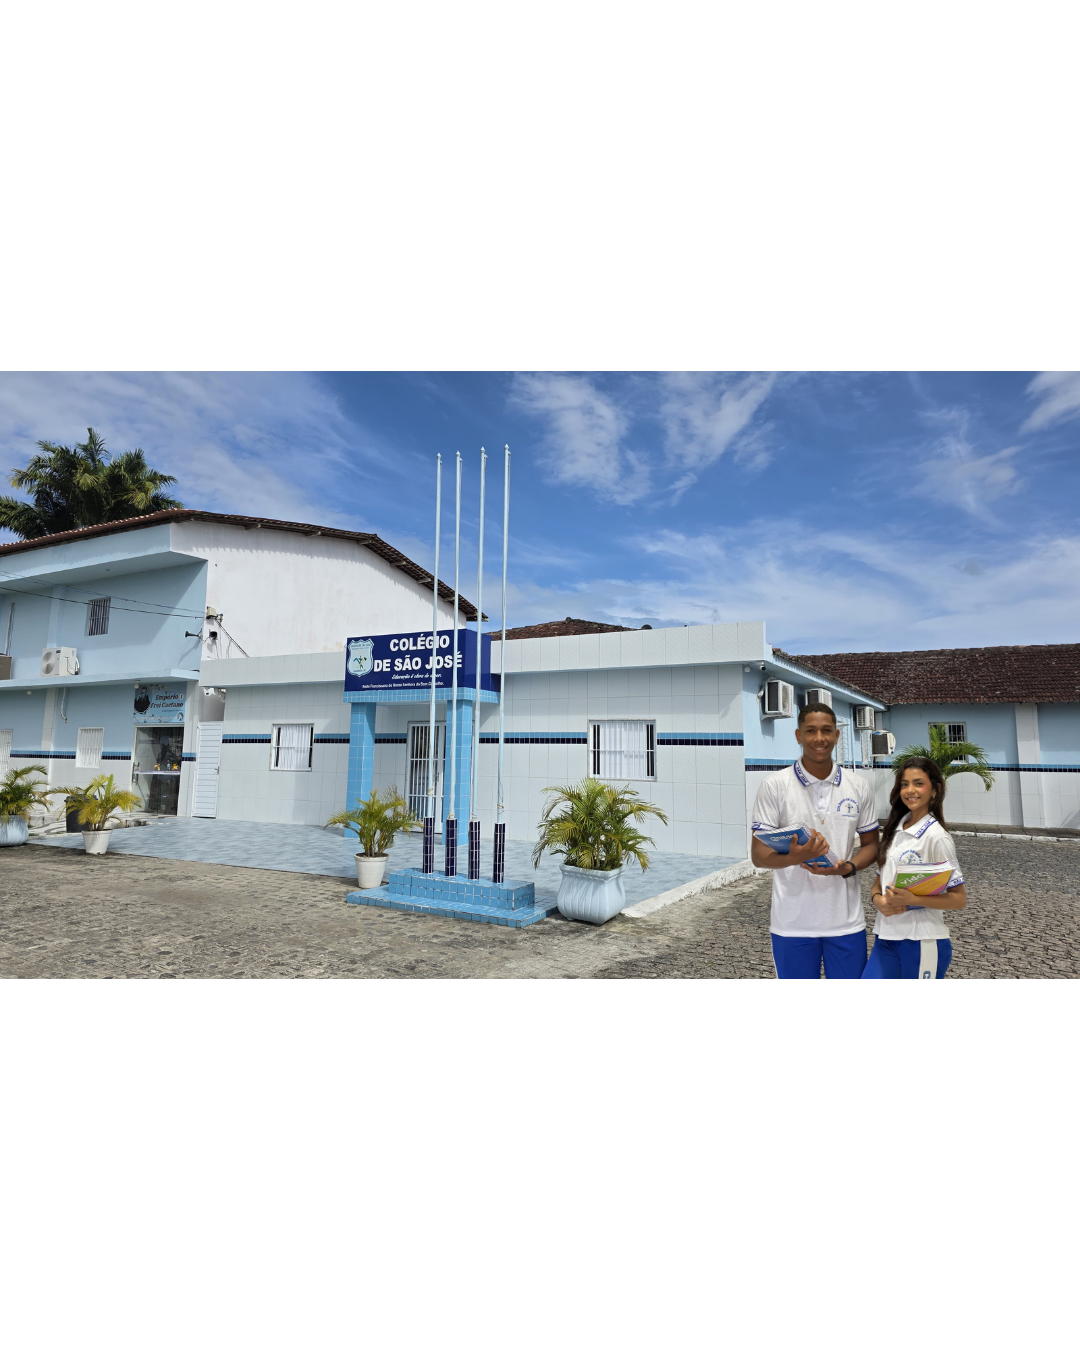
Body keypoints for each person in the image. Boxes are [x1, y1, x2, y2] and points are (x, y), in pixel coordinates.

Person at [751, 702, 881, 979]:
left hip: (846, 922)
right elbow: (758, 856)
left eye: (826, 730)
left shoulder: (858, 786)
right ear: (798, 735)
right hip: (792, 923)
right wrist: (795, 857)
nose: (819, 738)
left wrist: (848, 867)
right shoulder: (774, 786)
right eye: (811, 731)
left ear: (837, 735)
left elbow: (872, 845)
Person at [863, 756, 966, 979]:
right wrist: (877, 900)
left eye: (919, 783)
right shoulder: (894, 830)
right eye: (904, 784)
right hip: (886, 938)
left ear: (935, 790)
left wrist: (913, 899)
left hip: (921, 940)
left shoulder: (937, 838)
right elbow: (878, 882)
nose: (910, 790)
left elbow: (958, 899)